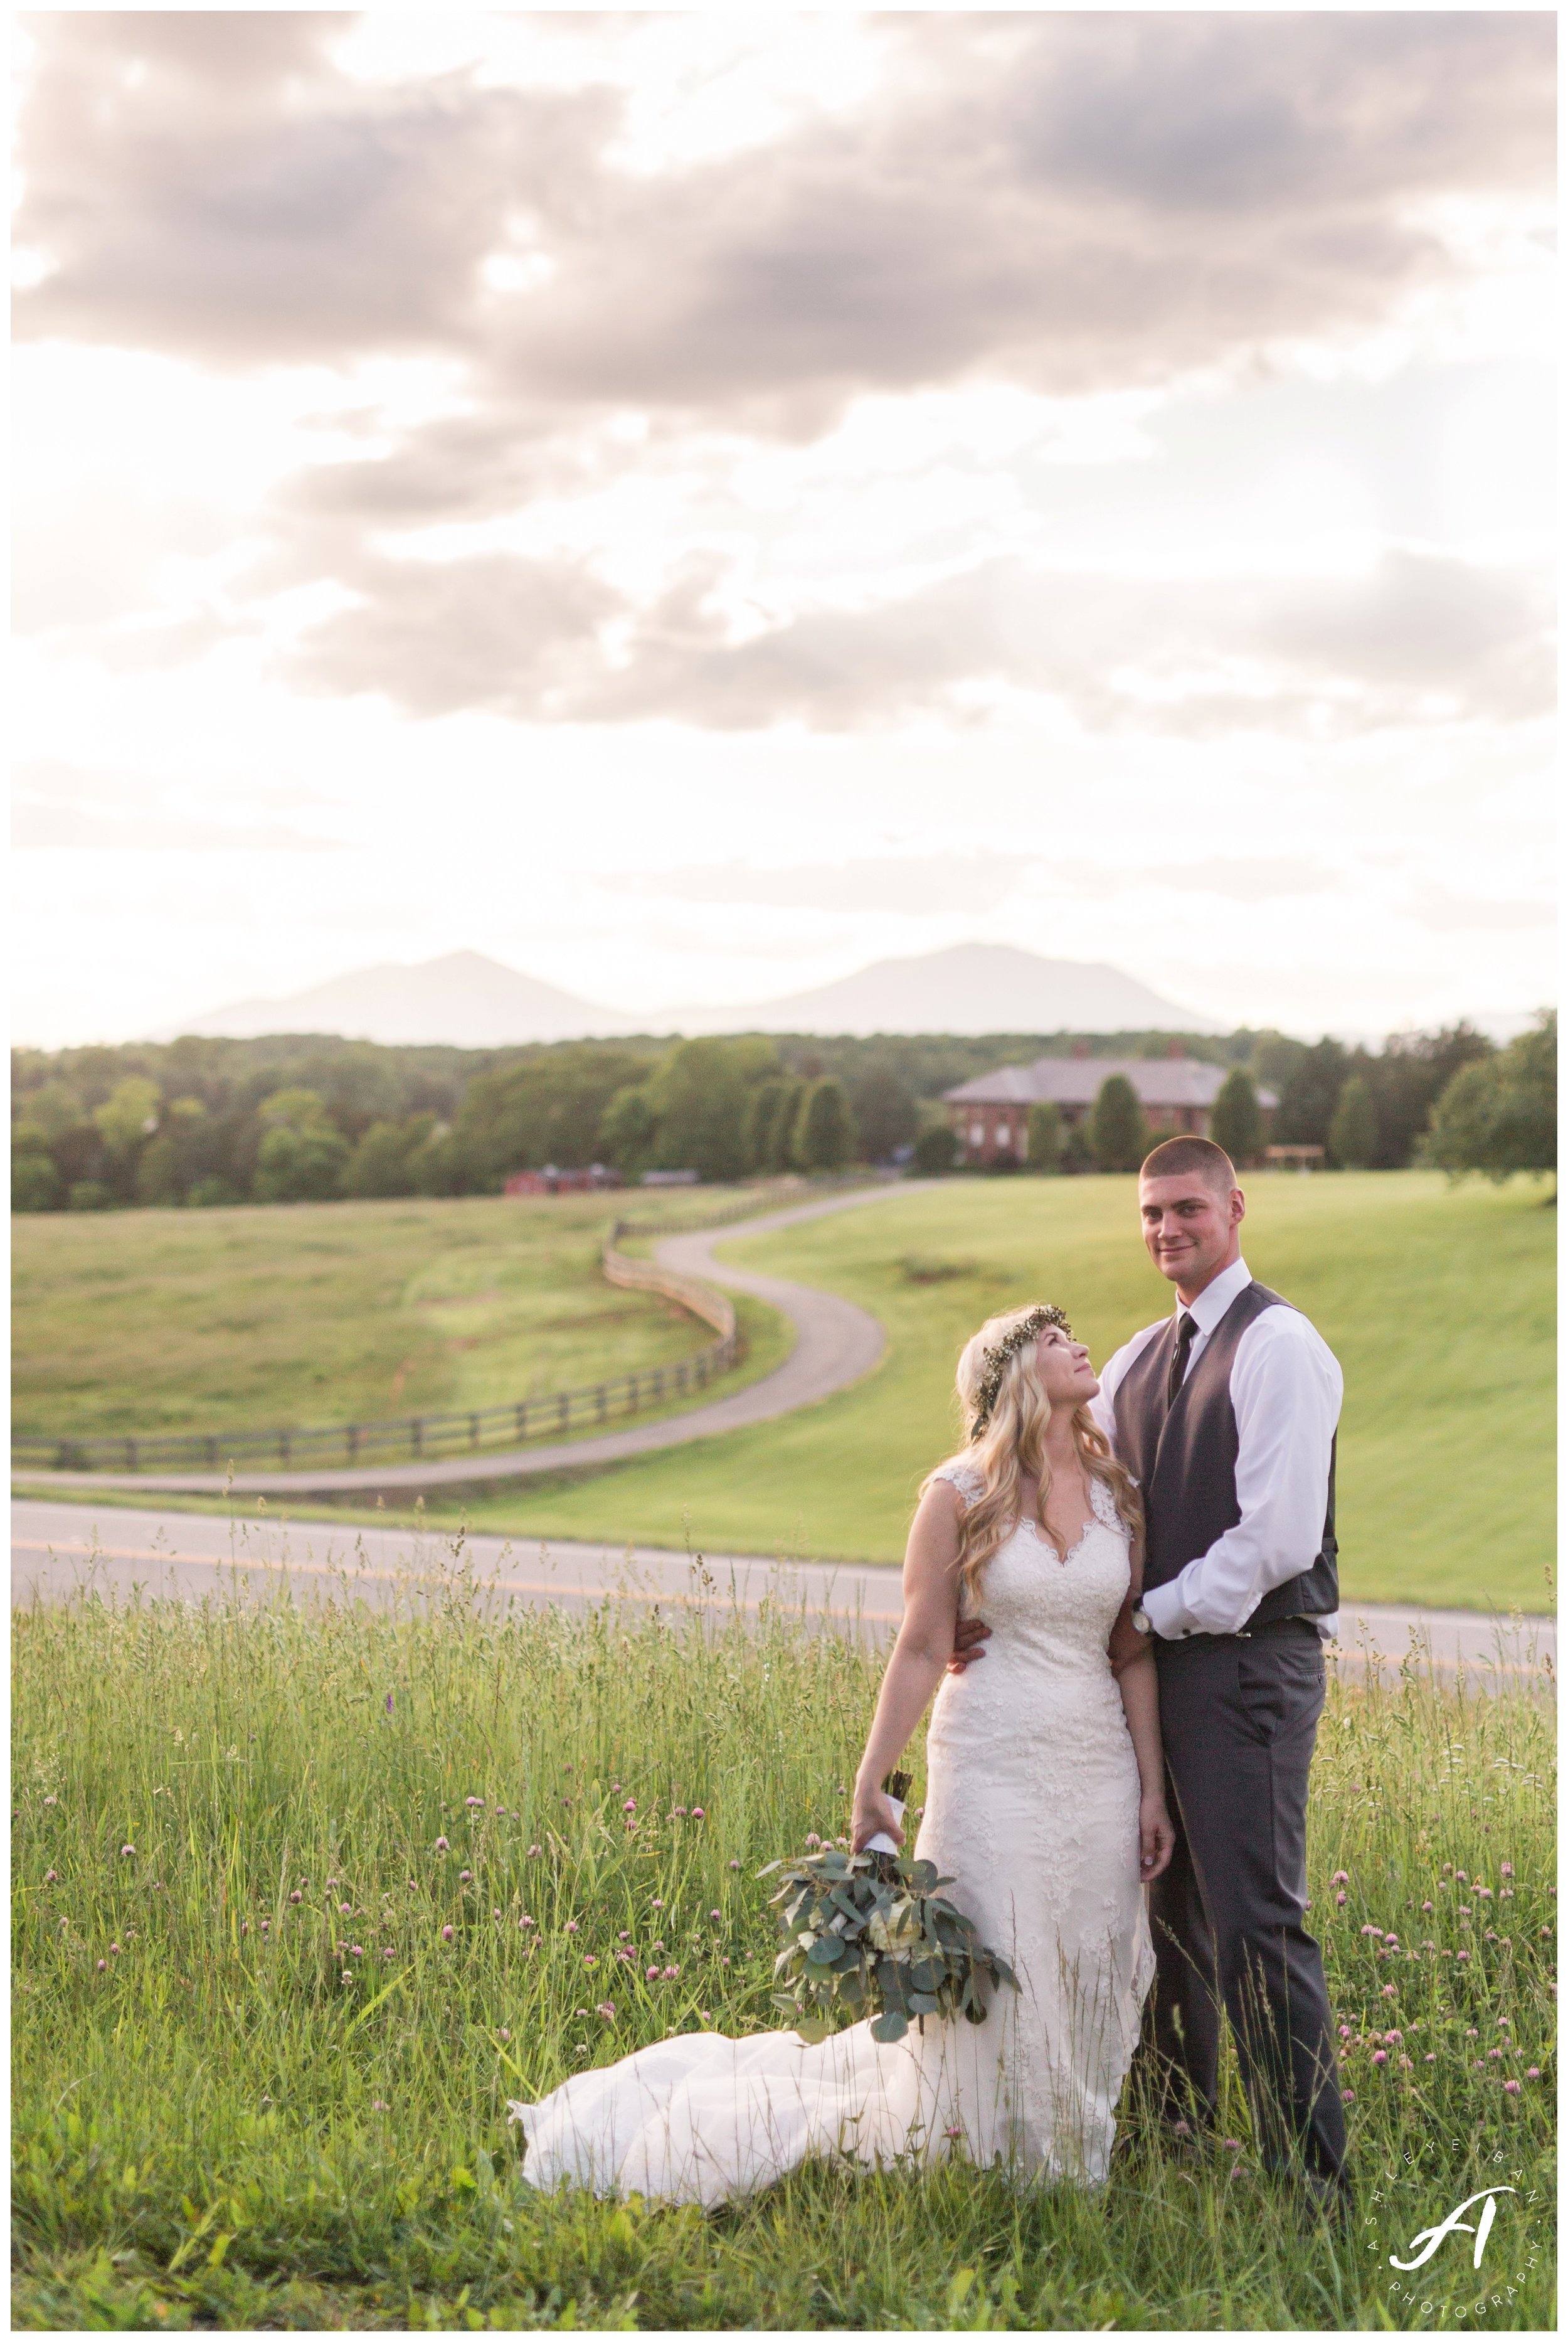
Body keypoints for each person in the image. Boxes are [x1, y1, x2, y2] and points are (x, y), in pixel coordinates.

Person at [508, 1304, 1173, 2207]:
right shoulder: (956, 1495)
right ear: (1013, 1375)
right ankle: (987, 2162)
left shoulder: (1114, 1490)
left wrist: (1152, 1792)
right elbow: (919, 1645)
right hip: (992, 1758)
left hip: (1099, 1761)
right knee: (1002, 1956)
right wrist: (875, 1778)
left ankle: (1070, 2159)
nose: (1080, 1345)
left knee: (1089, 1953)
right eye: (1055, 1340)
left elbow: (1131, 1650)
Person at [951, 1134, 1348, 2212]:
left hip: (1248, 1667)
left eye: (1187, 1207)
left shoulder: (1280, 1347)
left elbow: (1275, 1539)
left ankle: (1314, 2186)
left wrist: (1147, 1611)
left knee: (1258, 1925)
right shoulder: (1134, 1356)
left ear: (1233, 1207)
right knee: (1163, 1919)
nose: (1167, 1227)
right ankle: (1176, 2137)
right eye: (1150, 1213)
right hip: (1152, 1677)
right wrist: (966, 1601)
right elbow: (1037, 1463)